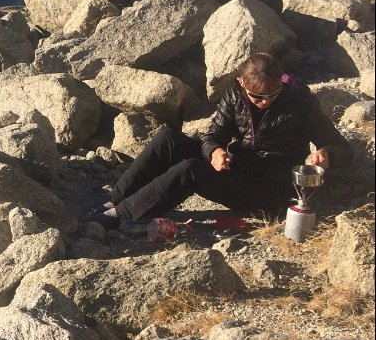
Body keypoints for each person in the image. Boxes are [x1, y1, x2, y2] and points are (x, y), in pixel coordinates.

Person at [88, 53, 352, 229]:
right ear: (241, 82)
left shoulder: (300, 102)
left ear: (281, 82)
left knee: (192, 169)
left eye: (273, 94)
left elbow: (343, 149)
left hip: (272, 189)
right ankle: (115, 199)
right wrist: (214, 150)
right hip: (241, 166)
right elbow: (213, 135)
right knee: (168, 139)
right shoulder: (235, 96)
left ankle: (120, 217)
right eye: (257, 97)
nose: (265, 101)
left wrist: (327, 152)